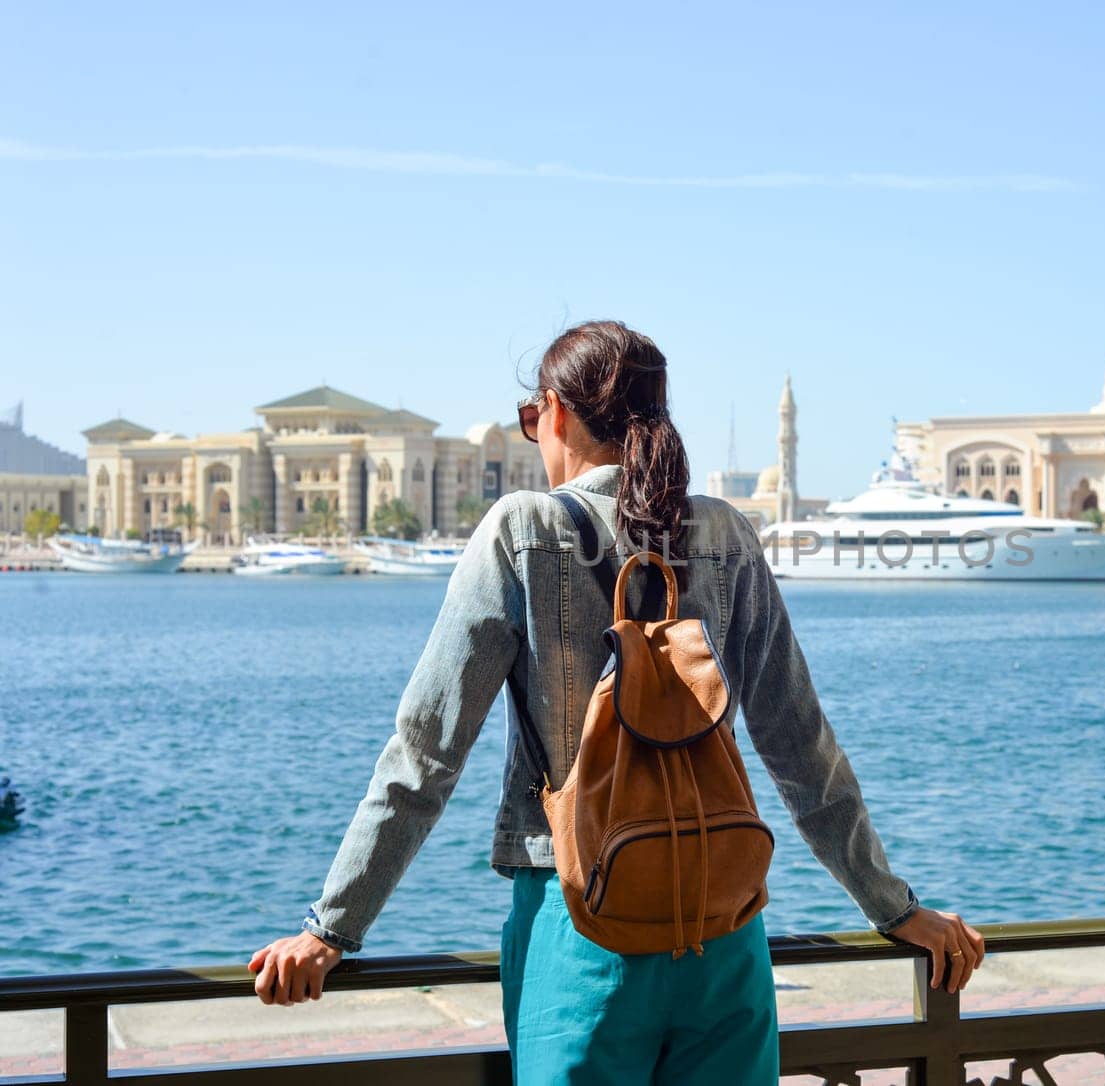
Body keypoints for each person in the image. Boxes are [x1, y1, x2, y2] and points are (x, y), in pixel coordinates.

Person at [247, 320, 984, 1082]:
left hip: (581, 925)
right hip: (723, 926)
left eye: (532, 418)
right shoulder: (727, 534)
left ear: (556, 413)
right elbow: (801, 746)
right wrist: (894, 907)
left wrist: (331, 928)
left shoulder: (522, 529)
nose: (535, 434)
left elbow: (427, 753)